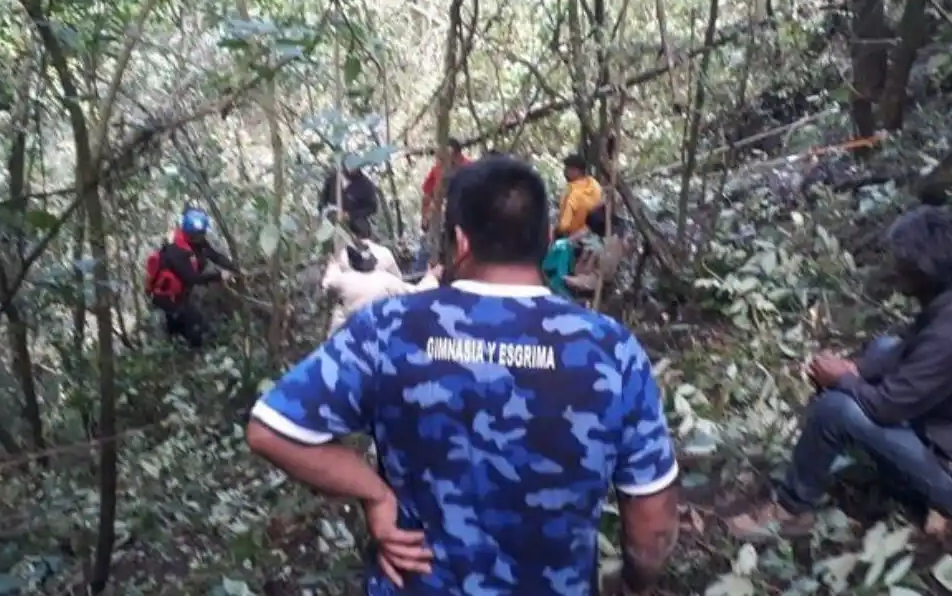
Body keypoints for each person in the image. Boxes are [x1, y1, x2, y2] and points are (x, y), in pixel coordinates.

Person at [248, 156, 679, 595]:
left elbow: (270, 430)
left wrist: (374, 493)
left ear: (460, 240)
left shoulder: (389, 328)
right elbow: (652, 524)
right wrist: (633, 584)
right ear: (547, 239)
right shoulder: (611, 348)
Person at [729, 205, 952, 539]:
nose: (895, 270)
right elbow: (909, 348)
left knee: (835, 410)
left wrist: (842, 380)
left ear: (925, 270)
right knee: (882, 348)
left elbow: (886, 406)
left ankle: (790, 510)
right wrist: (857, 369)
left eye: (902, 264)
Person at [145, 207, 242, 348]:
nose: (201, 237)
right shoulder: (176, 251)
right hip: (166, 299)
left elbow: (214, 256)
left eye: (202, 234)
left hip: (181, 295)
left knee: (185, 325)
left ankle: (177, 340)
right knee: (195, 326)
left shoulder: (198, 243)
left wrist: (234, 268)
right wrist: (219, 276)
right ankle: (190, 353)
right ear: (189, 233)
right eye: (198, 234)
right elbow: (191, 278)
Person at [323, 241, 440, 335]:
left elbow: (327, 281)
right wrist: (431, 276)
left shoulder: (343, 280)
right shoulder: (386, 280)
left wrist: (333, 263)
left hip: (347, 338)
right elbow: (416, 292)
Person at [412, 138, 471, 273]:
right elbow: (427, 194)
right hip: (441, 215)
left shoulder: (470, 168)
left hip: (465, 215)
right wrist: (425, 216)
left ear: (455, 154)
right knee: (430, 245)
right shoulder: (437, 170)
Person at [555, 153, 602, 239]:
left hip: (574, 236)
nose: (565, 171)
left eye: (567, 168)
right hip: (593, 233)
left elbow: (565, 224)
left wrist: (558, 231)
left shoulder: (572, 191)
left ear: (576, 171)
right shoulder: (594, 184)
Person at [319, 161, 379, 227]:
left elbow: (372, 207)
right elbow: (324, 196)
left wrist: (350, 215)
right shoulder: (334, 177)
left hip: (352, 219)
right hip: (330, 213)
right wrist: (323, 208)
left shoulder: (366, 185)